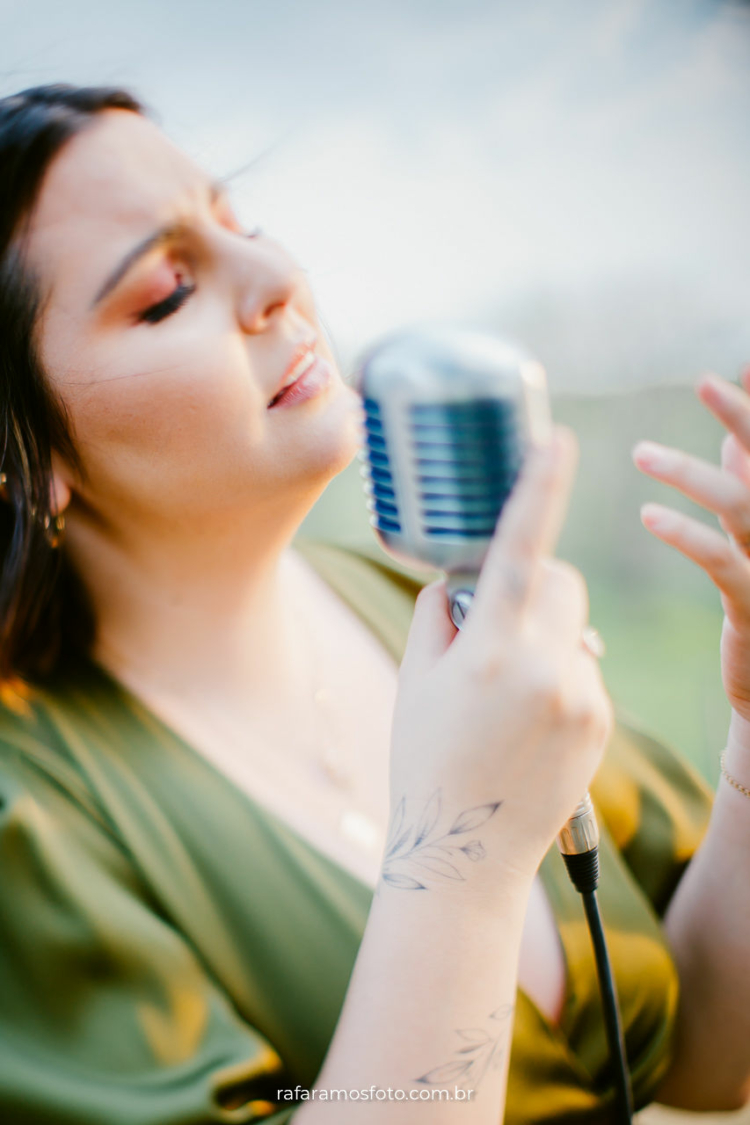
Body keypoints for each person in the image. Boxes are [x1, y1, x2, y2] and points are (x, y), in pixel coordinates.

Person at [0, 83, 744, 1125]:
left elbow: (709, 1061)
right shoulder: (26, 821)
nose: (278, 279)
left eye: (238, 222)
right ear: (27, 461)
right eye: (169, 290)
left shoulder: (424, 609)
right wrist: (467, 857)